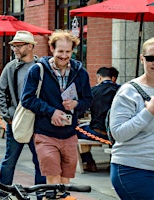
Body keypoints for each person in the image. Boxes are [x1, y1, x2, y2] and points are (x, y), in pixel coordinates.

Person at [22, 30, 92, 186]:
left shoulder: (81, 73)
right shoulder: (37, 70)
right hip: (45, 134)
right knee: (52, 181)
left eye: (68, 51)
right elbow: (27, 99)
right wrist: (51, 111)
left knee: (65, 183)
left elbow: (88, 100)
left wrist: (77, 105)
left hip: (69, 134)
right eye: (60, 51)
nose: (64, 55)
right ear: (51, 49)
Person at [0, 31, 46, 199]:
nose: (15, 49)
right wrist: (8, 116)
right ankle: (3, 193)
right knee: (10, 160)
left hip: (38, 121)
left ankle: (41, 193)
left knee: (40, 161)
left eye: (19, 45)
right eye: (14, 46)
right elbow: (1, 93)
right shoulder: (10, 68)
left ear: (31, 46)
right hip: (17, 121)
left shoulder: (42, 67)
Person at [109, 36, 154, 199]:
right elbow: (118, 133)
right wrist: (148, 113)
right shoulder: (129, 91)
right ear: (142, 59)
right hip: (133, 169)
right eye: (151, 58)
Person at [77, 67, 120, 172]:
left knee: (75, 130)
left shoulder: (93, 91)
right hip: (117, 134)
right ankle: (112, 162)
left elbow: (81, 111)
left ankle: (89, 162)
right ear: (112, 78)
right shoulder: (121, 90)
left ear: (99, 77)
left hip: (98, 133)